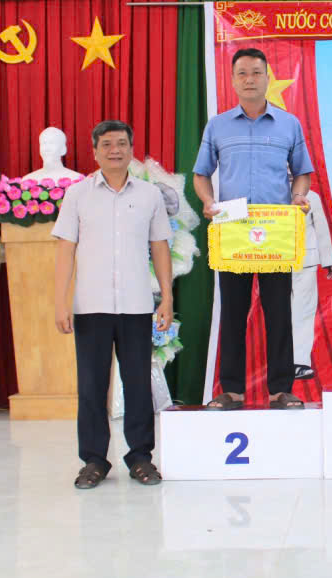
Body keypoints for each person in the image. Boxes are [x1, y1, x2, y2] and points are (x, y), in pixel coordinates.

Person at [53, 120, 174, 489]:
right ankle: (94, 460)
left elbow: (160, 247)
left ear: (131, 149)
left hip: (137, 305)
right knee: (91, 386)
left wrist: (166, 296)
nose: (115, 150)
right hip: (91, 305)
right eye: (106, 144)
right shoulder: (77, 195)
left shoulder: (150, 195)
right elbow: (65, 250)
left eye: (122, 143)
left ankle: (140, 458)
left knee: (137, 384)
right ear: (95, 151)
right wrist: (60, 301)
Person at [194, 47, 313, 410]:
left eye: (257, 73)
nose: (250, 79)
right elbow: (201, 174)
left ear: (267, 78)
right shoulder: (217, 126)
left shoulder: (289, 124)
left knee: (279, 313)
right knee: (233, 313)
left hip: (275, 230)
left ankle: (280, 390)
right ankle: (232, 391)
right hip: (232, 227)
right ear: (232, 80)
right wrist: (208, 201)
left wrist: (298, 195)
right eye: (242, 73)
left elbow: (302, 172)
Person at [291, 188, 332, 380]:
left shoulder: (312, 196)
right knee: (279, 314)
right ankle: (281, 362)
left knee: (303, 313)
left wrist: (328, 260)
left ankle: (300, 362)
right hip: (275, 262)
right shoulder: (270, 192)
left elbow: (321, 229)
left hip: (306, 261)